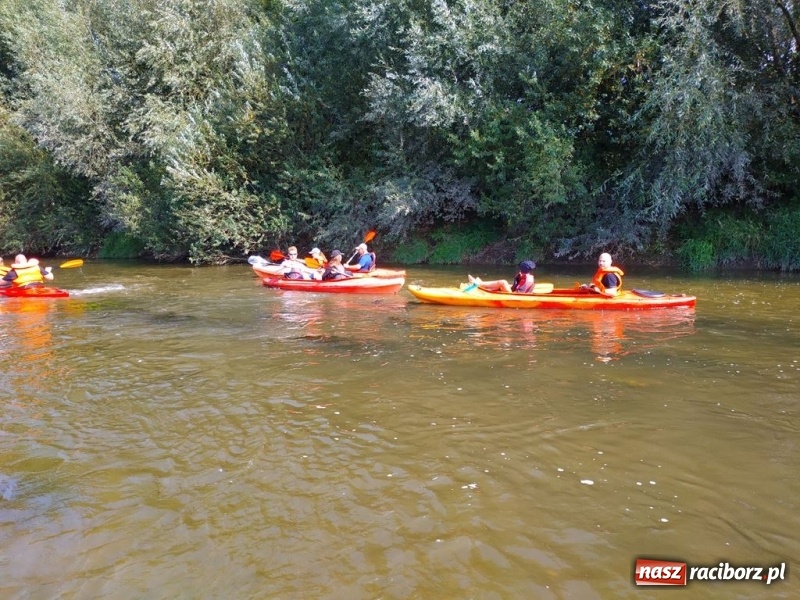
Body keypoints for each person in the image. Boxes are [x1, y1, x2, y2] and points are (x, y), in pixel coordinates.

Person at [467, 260, 536, 293]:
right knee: (502, 285)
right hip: (516, 293)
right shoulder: (529, 277)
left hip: (515, 295)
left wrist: (506, 288)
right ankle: (482, 285)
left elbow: (519, 292)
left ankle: (479, 283)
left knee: (503, 282)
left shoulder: (525, 279)